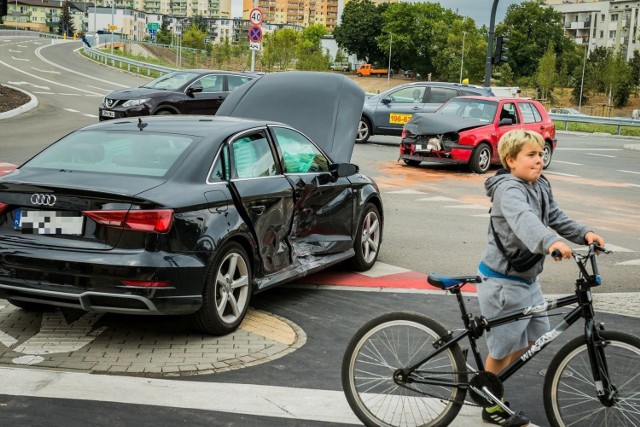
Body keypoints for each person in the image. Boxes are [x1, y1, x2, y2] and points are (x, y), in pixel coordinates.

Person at [477, 129, 604, 426]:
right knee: (502, 347)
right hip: (503, 283)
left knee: (536, 338)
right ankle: (489, 401)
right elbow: (524, 220)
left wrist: (584, 232)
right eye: (531, 155)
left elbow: (555, 216)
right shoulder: (508, 189)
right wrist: (550, 243)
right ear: (510, 160)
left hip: (527, 280)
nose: (538, 160)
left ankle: (492, 381)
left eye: (541, 154)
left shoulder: (539, 184)